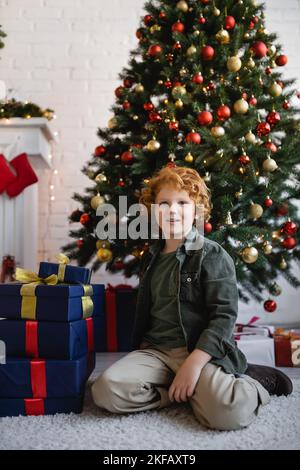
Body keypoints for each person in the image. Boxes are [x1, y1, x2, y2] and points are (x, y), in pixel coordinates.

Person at [92, 166, 292, 431]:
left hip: (200, 351)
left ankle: (252, 383)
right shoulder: (152, 258)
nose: (173, 211)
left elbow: (224, 316)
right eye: (164, 203)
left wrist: (194, 364)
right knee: (106, 390)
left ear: (197, 210)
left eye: (182, 203)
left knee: (228, 413)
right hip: (157, 351)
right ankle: (180, 394)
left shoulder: (211, 255)